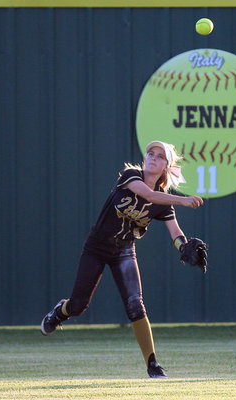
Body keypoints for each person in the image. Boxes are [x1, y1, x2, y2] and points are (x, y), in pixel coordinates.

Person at [40, 140, 204, 378]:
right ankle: (60, 312)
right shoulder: (131, 176)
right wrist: (183, 199)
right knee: (78, 305)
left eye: (160, 156)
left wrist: (183, 246)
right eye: (150, 153)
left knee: (136, 305)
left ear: (167, 166)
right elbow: (148, 194)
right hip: (96, 247)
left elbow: (175, 231)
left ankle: (153, 364)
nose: (152, 157)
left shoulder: (164, 203)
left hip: (124, 251)